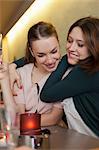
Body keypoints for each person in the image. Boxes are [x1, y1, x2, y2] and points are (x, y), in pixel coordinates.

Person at [40, 17, 99, 138]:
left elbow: (46, 95)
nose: (71, 48)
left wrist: (65, 60)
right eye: (69, 40)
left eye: (80, 44)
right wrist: (14, 65)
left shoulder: (86, 72)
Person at [0, 21, 63, 127]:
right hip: (26, 135)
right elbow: (17, 114)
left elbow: (54, 118)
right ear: (32, 52)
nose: (50, 60)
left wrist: (20, 121)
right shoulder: (20, 74)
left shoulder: (65, 73)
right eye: (41, 55)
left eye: (54, 52)